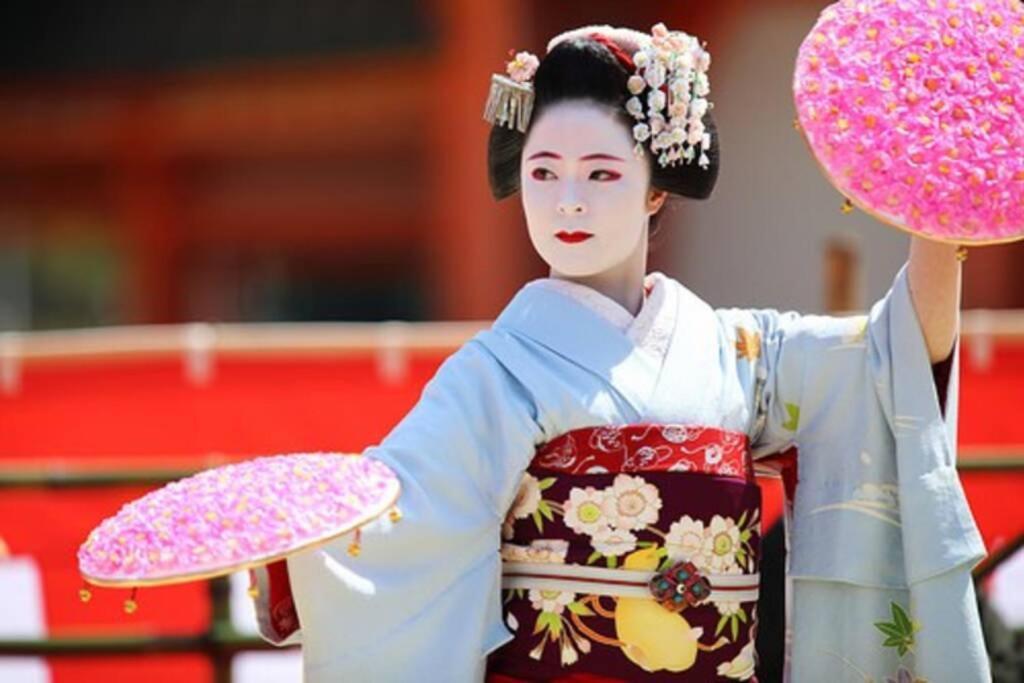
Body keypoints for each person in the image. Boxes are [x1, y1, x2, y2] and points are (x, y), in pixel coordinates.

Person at [250, 23, 989, 682]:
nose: (567, 199)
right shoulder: (497, 373)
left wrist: (940, 215)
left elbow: (887, 365)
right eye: (542, 172)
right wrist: (291, 534)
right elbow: (397, 522)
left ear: (655, 191)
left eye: (601, 173)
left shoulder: (732, 350)